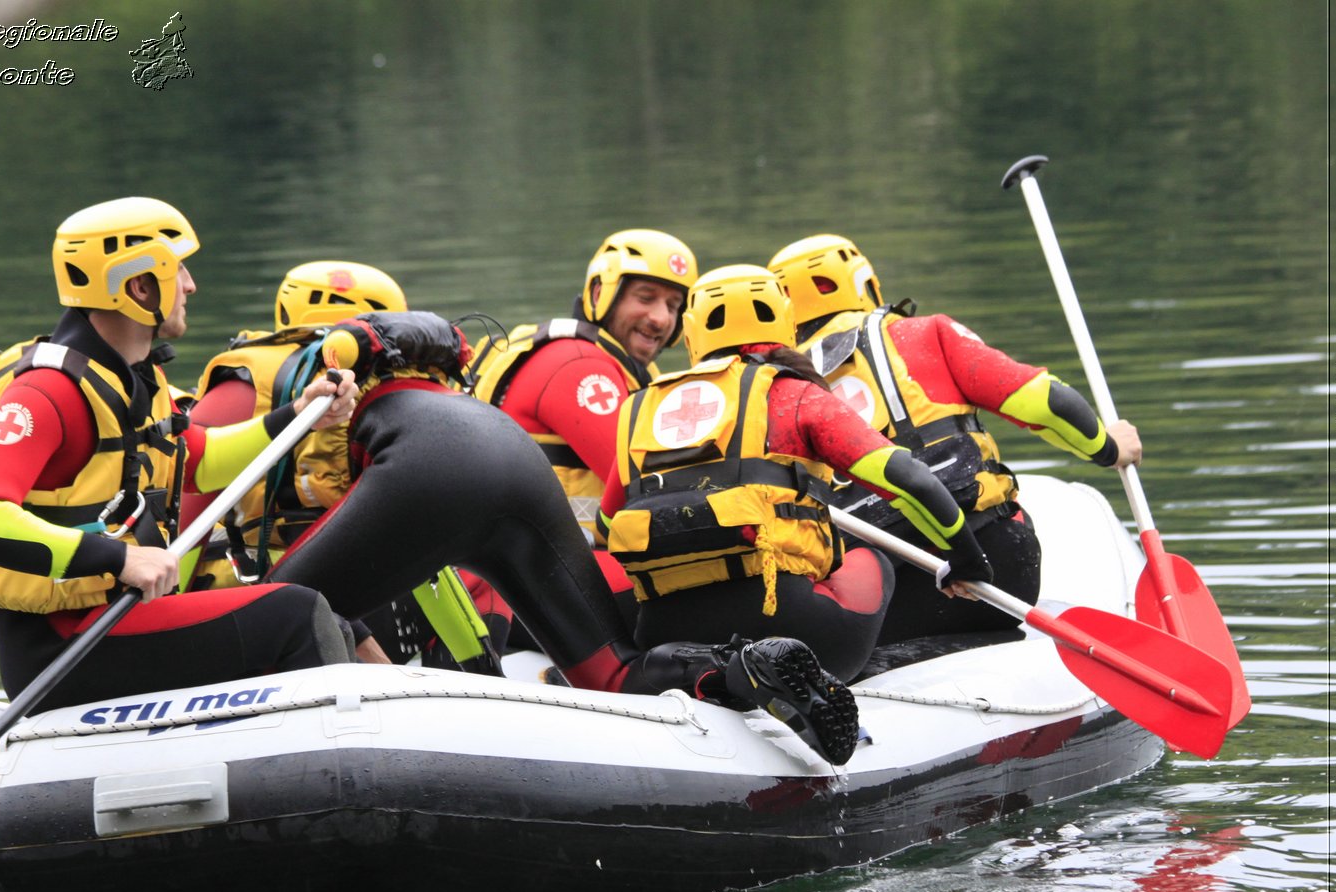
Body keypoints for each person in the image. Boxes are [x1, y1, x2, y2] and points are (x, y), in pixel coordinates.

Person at [266, 310, 863, 763]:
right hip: (514, 462)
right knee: (613, 673)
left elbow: (311, 594)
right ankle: (741, 666)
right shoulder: (459, 393)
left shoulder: (350, 412)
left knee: (273, 605)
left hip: (428, 469)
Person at [0, 197, 359, 710]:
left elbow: (198, 460)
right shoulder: (45, 393)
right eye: (178, 269)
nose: (190, 285)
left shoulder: (135, 375)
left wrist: (298, 413)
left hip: (118, 622)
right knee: (294, 615)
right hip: (65, 646)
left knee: (335, 618)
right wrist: (118, 557)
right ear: (139, 286)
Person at [598, 265, 994, 682]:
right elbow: (910, 480)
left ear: (692, 332)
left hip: (664, 632)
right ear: (785, 320)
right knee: (867, 556)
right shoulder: (793, 393)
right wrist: (967, 560)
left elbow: (608, 528)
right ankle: (821, 679)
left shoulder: (640, 408)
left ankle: (705, 673)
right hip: (794, 630)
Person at [768, 234, 1143, 641]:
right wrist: (1109, 448)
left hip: (868, 602)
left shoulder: (774, 389)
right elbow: (1046, 403)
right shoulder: (923, 334)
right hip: (992, 569)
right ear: (866, 286)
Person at [185, 260, 407, 588]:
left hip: (275, 575)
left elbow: (187, 497)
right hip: (388, 568)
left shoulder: (248, 378)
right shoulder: (399, 378)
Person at [469, 228, 696, 542]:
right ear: (602, 294)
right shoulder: (577, 365)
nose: (660, 318)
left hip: (549, 564)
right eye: (645, 298)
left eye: (673, 307)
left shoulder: (629, 370)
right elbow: (650, 487)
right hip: (521, 579)